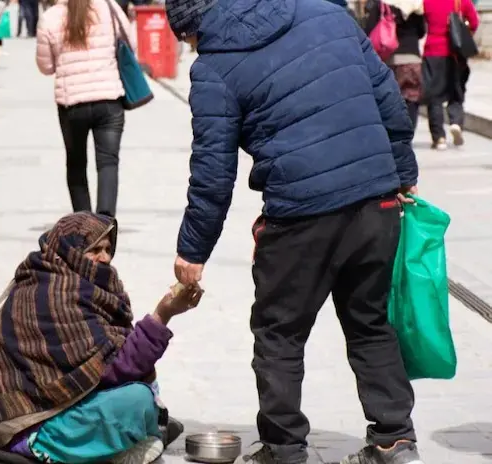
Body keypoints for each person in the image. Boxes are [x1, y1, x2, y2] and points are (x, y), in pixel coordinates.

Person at [164, 0, 421, 463]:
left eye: (186, 38)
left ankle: (284, 449)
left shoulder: (213, 68)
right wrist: (403, 171)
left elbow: (213, 172)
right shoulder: (325, 10)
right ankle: (395, 439)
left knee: (279, 332)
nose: (190, 48)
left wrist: (192, 250)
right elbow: (386, 93)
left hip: (301, 214)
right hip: (375, 199)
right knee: (370, 322)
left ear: (193, 26)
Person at [0, 212, 201, 464]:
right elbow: (114, 370)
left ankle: (133, 432)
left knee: (145, 393)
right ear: (71, 251)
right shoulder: (55, 294)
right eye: (95, 250)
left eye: (108, 249)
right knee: (137, 401)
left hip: (60, 407)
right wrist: (162, 314)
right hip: (28, 424)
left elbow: (110, 362)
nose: (105, 258)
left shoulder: (80, 284)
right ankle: (49, 448)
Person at [36, 0, 135, 218]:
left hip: (71, 104)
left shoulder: (50, 17)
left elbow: (46, 66)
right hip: (109, 99)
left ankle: (84, 227)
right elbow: (130, 43)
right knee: (108, 163)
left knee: (76, 165)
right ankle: (106, 224)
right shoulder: (108, 7)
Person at [422, 0, 479, 150]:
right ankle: (456, 123)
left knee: (434, 96)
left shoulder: (427, 2)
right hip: (455, 54)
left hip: (433, 52)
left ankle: (439, 137)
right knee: (456, 92)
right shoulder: (460, 1)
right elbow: (474, 22)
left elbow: (421, 26)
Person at [364, 0, 426, 134]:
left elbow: (369, 29)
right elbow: (422, 31)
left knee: (390, 99)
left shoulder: (382, 3)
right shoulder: (416, 5)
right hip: (412, 58)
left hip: (389, 59)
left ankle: (393, 133)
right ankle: (408, 134)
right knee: (412, 98)